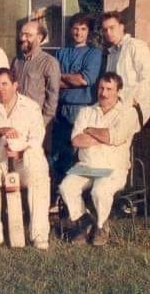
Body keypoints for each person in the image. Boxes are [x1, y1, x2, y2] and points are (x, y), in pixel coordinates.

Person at [0, 68, 50, 250]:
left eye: (5, 84)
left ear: (15, 85)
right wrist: (2, 130)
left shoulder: (31, 106)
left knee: (38, 167)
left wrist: (19, 152)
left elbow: (37, 138)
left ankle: (39, 234)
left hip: (22, 161)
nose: (1, 89)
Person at [59, 73, 138, 246]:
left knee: (99, 192)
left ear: (118, 92)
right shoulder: (87, 111)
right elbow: (76, 140)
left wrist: (91, 131)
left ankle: (101, 226)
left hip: (114, 167)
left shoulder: (128, 113)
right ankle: (84, 220)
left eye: (109, 89)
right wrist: (105, 137)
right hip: (86, 165)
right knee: (66, 188)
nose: (104, 93)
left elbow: (115, 137)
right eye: (101, 88)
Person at [52, 13, 102, 207]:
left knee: (79, 155)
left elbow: (84, 80)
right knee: (58, 155)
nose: (78, 32)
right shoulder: (61, 52)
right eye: (75, 28)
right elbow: (55, 82)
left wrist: (65, 77)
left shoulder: (94, 53)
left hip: (81, 108)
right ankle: (59, 200)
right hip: (61, 108)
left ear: (88, 32)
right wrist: (68, 79)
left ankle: (81, 199)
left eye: (83, 29)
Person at [102, 11, 150, 130]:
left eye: (112, 28)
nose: (108, 33)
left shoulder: (135, 45)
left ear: (121, 27)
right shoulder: (112, 54)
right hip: (116, 111)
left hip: (135, 109)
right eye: (105, 30)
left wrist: (134, 101)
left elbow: (149, 78)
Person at [11, 21, 61, 153]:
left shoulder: (49, 63)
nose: (22, 38)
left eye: (28, 35)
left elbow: (53, 97)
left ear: (39, 38)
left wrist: (43, 123)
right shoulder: (16, 61)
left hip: (38, 123)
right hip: (17, 122)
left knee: (36, 161)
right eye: (22, 34)